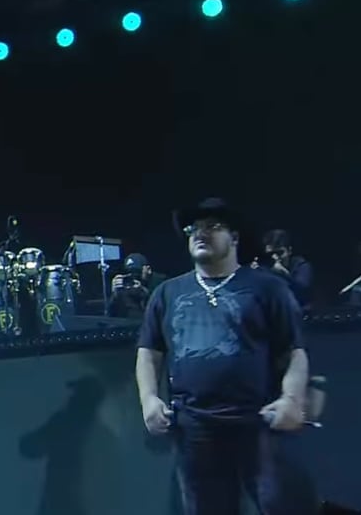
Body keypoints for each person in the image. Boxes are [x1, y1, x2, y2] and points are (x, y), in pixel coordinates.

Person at [135, 198, 317, 515]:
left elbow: (294, 352)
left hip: (256, 421)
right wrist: (149, 399)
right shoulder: (167, 293)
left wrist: (291, 398)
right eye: (194, 229)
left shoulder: (267, 288)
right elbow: (149, 352)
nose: (200, 234)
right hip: (194, 426)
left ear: (234, 238)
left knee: (278, 506)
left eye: (212, 227)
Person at [254, 229, 313, 307]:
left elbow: (301, 291)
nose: (275, 258)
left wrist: (283, 274)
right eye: (271, 254)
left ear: (289, 250)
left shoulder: (301, 265)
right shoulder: (263, 267)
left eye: (280, 253)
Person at [109, 253, 166, 318]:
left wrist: (145, 293)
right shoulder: (127, 284)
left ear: (148, 270)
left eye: (137, 272)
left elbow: (164, 310)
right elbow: (112, 315)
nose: (134, 275)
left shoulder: (161, 283)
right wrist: (115, 294)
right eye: (129, 272)